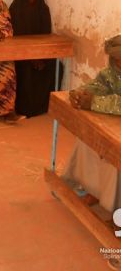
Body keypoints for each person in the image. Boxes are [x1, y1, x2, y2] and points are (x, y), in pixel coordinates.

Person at [62, 34, 121, 270]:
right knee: (89, 139)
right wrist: (81, 94)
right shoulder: (114, 70)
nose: (118, 64)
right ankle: (96, 191)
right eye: (115, 60)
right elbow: (100, 84)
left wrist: (93, 103)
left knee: (114, 152)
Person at [9, 0, 61, 117]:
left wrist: (41, 58)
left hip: (40, 52)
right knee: (25, 69)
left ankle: (45, 106)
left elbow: (45, 35)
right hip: (22, 53)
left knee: (56, 66)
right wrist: (32, 58)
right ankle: (26, 109)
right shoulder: (15, 9)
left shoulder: (43, 9)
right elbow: (16, 37)